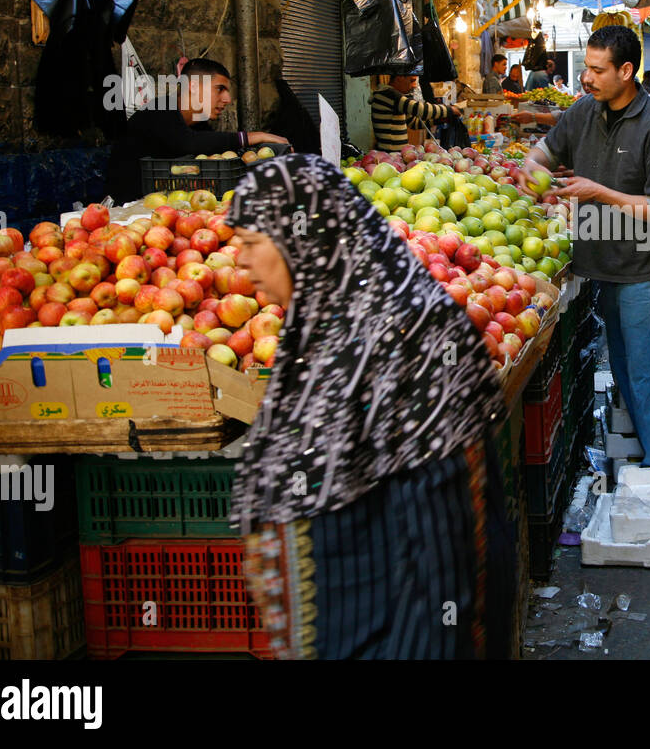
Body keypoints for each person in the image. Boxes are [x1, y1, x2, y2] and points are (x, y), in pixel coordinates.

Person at [228, 154, 516, 659]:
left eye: (254, 243)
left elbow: (443, 552)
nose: (244, 262)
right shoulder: (321, 328)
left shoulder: (408, 342)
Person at [516, 25, 650, 468]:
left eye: (597, 70)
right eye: (586, 69)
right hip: (602, 263)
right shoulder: (583, 112)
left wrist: (601, 193)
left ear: (626, 71)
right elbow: (545, 151)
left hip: (643, 268)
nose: (586, 79)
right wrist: (530, 167)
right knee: (629, 371)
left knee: (647, 372)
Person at [105, 57, 288, 203]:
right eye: (220, 89)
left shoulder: (198, 122)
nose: (227, 99)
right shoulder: (160, 111)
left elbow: (212, 148)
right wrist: (253, 136)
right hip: (129, 207)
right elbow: (188, 143)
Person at [369, 72, 457, 153]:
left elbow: (413, 123)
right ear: (400, 78)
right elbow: (419, 109)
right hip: (390, 154)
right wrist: (450, 110)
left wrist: (437, 121)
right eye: (411, 81)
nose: (414, 86)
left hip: (399, 154)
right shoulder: (389, 95)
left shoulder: (396, 98)